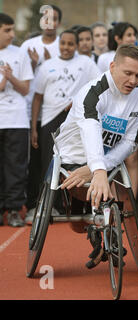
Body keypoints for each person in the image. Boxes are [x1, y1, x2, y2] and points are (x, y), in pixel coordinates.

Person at [54, 44, 138, 267]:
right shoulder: (91, 92)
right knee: (77, 225)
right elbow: (91, 130)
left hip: (107, 158)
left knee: (109, 189)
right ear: (113, 66)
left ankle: (107, 231)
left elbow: (130, 141)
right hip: (74, 155)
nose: (133, 80)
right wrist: (97, 169)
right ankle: (93, 229)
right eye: (128, 73)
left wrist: (99, 167)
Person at [25, 30, 101, 224]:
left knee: (74, 159)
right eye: (63, 43)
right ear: (59, 43)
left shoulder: (86, 63)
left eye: (70, 44)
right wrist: (34, 127)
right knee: (48, 163)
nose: (66, 48)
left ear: (76, 45)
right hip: (50, 118)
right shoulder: (47, 66)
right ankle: (47, 205)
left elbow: (99, 85)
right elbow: (37, 98)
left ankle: (71, 205)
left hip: (75, 119)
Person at [20, 4, 62, 220]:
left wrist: (45, 62)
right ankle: (32, 205)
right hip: (29, 112)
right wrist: (36, 64)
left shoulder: (63, 44)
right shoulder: (28, 45)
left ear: (58, 23)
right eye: (45, 19)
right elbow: (23, 76)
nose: (49, 23)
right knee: (33, 161)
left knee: (53, 160)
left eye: (53, 19)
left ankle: (55, 205)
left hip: (54, 114)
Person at [0, 13, 34, 227]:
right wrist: (4, 81)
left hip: (16, 120)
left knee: (16, 167)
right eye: (7, 30)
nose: (12, 35)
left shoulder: (20, 53)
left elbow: (25, 88)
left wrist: (11, 77)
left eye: (13, 30)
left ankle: (13, 209)